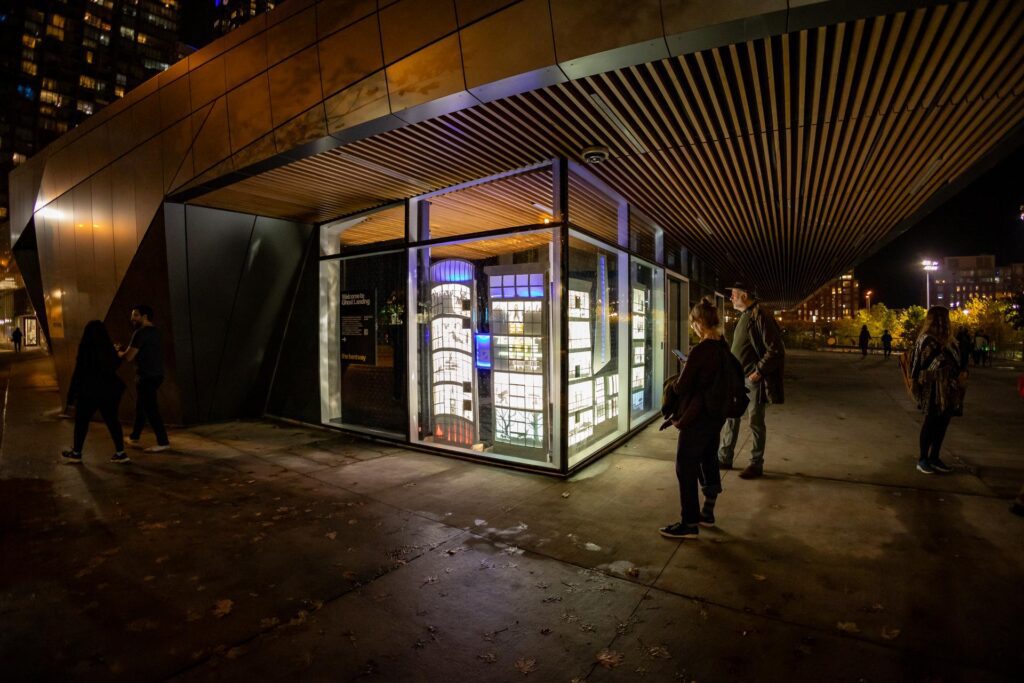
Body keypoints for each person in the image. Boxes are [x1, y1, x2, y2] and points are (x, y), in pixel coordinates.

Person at [659, 298, 730, 539]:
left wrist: (685, 367)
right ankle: (707, 513)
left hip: (697, 416)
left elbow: (681, 387)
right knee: (708, 458)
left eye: (693, 323)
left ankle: (689, 522)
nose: (693, 327)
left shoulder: (701, 350)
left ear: (700, 323)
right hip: (715, 414)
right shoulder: (723, 346)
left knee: (685, 466)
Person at [718, 283, 785, 479]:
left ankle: (756, 464)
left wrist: (758, 372)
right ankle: (724, 457)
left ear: (744, 295)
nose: (731, 298)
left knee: (755, 421)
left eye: (733, 294)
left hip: (752, 380)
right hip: (738, 379)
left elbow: (776, 350)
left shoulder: (761, 315)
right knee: (731, 417)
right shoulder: (747, 315)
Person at [61, 320, 129, 464]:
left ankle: (77, 453)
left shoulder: (85, 348)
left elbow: (78, 373)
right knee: (112, 421)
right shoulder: (108, 348)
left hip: (89, 391)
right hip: (109, 390)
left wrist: (71, 397)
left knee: (81, 422)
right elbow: (115, 365)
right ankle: (121, 453)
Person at [911, 306, 968, 474]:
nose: (944, 322)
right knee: (931, 422)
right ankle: (923, 459)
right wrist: (916, 383)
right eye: (941, 318)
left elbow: (958, 362)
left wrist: (961, 375)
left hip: (950, 388)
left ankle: (935, 457)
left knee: (943, 423)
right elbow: (918, 363)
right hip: (933, 387)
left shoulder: (950, 341)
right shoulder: (926, 339)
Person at [118, 304, 171, 452]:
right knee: (141, 406)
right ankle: (135, 436)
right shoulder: (156, 332)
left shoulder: (140, 333)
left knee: (151, 409)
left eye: (135, 315)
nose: (132, 318)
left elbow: (129, 357)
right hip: (157, 375)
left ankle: (163, 442)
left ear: (144, 316)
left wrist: (118, 353)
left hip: (146, 377)